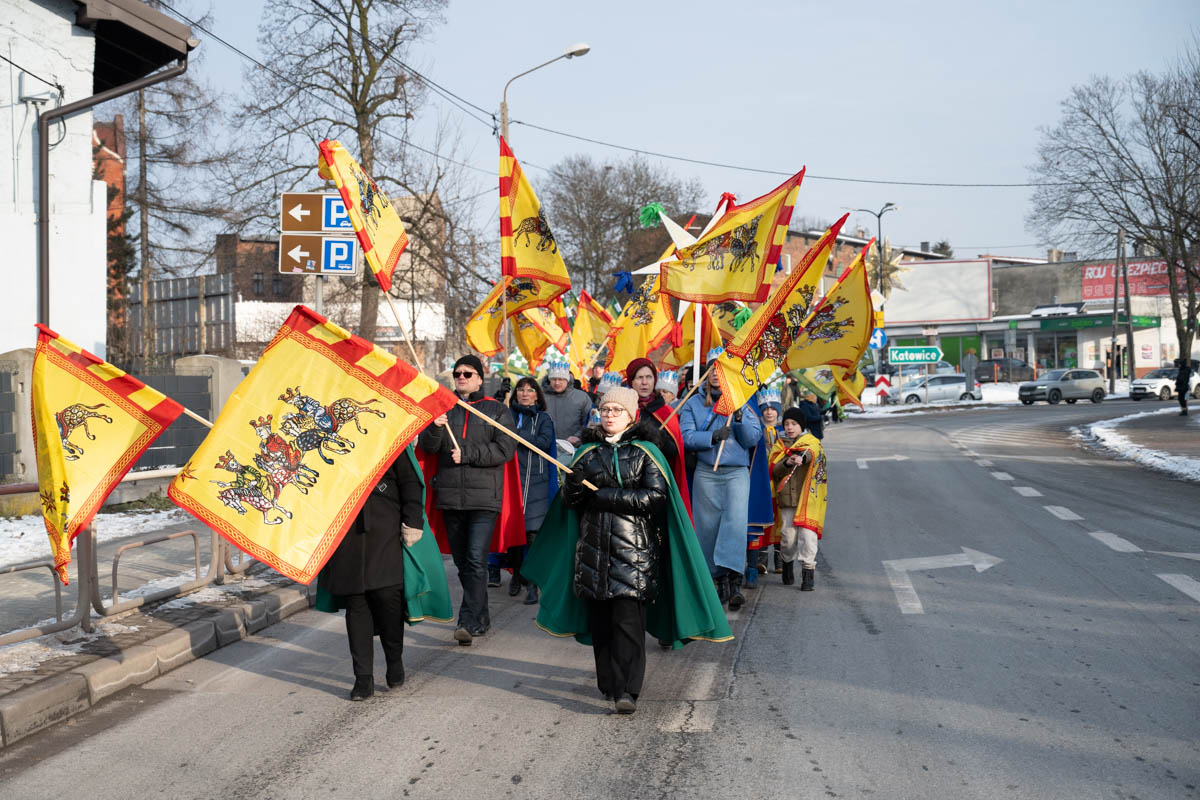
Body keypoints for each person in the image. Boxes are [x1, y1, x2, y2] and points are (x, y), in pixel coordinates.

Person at [522, 386, 732, 715]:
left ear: (631, 415)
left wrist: (604, 497)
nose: (609, 415)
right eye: (605, 410)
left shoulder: (647, 452)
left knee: (628, 624)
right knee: (602, 625)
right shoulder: (586, 454)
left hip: (634, 555)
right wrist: (573, 490)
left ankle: (628, 691)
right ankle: (609, 683)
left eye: (617, 410)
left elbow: (655, 497)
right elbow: (571, 504)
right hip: (592, 554)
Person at [314, 447, 452, 700]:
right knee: (356, 603)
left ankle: (394, 658)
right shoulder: (329, 441)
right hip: (345, 534)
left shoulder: (390, 436)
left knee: (388, 598)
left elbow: (411, 483)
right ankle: (363, 678)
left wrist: (413, 521)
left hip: (386, 529)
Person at [418, 354, 518, 646]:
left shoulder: (496, 411)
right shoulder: (445, 407)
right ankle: (481, 615)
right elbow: (429, 447)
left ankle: (468, 620)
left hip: (484, 499)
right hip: (450, 497)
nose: (461, 377)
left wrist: (469, 454)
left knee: (476, 560)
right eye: (458, 373)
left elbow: (505, 450)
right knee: (463, 564)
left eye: (468, 373)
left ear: (480, 377)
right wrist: (435, 426)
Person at [680, 367, 762, 611]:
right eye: (713, 370)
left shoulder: (741, 400)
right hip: (707, 472)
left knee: (734, 525)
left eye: (722, 370)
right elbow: (686, 436)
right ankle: (717, 581)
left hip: (736, 472)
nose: (717, 374)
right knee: (707, 528)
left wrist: (738, 418)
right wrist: (712, 437)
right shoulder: (692, 403)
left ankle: (734, 582)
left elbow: (753, 438)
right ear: (705, 376)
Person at [507, 376, 557, 604]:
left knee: (532, 535)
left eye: (530, 390)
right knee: (513, 533)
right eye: (521, 390)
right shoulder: (508, 416)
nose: (525, 394)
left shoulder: (543, 418)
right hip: (511, 480)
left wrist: (518, 435)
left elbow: (544, 442)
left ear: (537, 394)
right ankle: (516, 574)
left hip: (536, 481)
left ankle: (533, 584)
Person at [624, 358, 692, 519]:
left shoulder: (666, 413)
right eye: (639, 378)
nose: (645, 382)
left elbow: (674, 451)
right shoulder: (623, 410)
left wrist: (656, 437)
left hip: (657, 481)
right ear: (631, 381)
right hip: (628, 480)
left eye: (649, 377)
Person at [769, 408, 827, 590]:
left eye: (794, 424)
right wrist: (787, 462)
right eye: (786, 424)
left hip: (808, 500)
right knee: (788, 538)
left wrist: (802, 456)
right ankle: (787, 565)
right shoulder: (780, 446)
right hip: (787, 500)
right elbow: (774, 471)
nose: (789, 427)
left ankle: (808, 574)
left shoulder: (812, 443)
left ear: (801, 425)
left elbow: (813, 455)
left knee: (808, 538)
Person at [544, 362, 593, 448]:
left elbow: (589, 422)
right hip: (545, 447)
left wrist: (578, 436)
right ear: (549, 380)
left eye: (561, 379)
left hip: (573, 447)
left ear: (567, 380)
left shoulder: (582, 397)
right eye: (554, 379)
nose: (557, 383)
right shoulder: (541, 397)